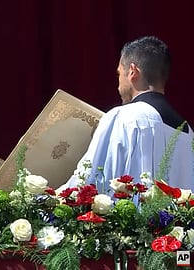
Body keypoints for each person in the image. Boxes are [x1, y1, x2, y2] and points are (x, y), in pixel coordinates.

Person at [61, 36, 194, 192]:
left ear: (132, 71)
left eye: (119, 74)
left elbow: (88, 181)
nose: (118, 85)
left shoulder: (124, 117)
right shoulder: (189, 133)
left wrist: (42, 198)